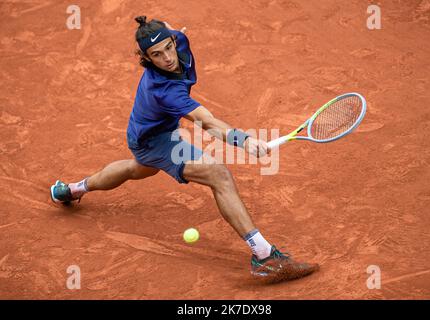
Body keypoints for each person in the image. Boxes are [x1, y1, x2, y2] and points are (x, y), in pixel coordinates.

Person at [50, 16, 319, 282]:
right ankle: (264, 256)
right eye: (157, 54)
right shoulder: (164, 90)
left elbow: (165, 27)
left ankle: (73, 189)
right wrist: (245, 141)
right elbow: (208, 122)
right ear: (146, 58)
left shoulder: (177, 40)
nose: (167, 57)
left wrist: (165, 30)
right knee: (218, 174)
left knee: (137, 168)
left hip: (148, 131)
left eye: (168, 47)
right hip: (153, 139)